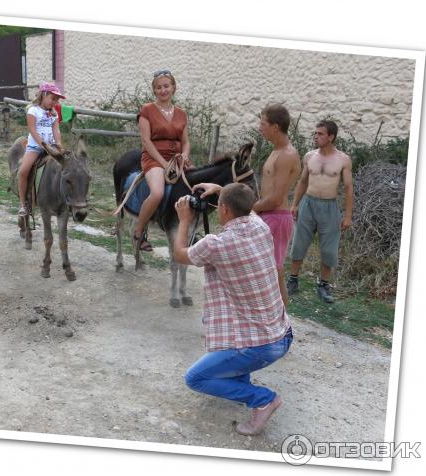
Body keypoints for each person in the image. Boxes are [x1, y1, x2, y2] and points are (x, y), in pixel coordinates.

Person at [173, 182, 293, 436]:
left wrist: (184, 219)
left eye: (220, 205)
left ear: (225, 209)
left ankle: (263, 399)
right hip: (282, 335)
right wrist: (221, 190)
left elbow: (181, 254)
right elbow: (245, 208)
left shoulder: (215, 244)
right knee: (234, 327)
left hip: (261, 347)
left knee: (195, 378)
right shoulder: (261, 226)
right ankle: (239, 379)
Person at [287, 120, 354, 303]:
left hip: (330, 207)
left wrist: (347, 215)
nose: (316, 137)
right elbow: (302, 181)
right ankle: (293, 280)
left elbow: (348, 187)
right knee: (299, 243)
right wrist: (294, 205)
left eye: (321, 134)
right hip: (308, 204)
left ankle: (323, 285)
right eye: (315, 133)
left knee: (329, 249)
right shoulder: (310, 156)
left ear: (331, 137)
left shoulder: (343, 159)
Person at [133, 69, 191, 252]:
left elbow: (186, 142)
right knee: (157, 193)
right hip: (154, 157)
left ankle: (190, 230)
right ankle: (139, 233)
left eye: (166, 86)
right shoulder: (147, 110)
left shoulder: (181, 113)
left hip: (177, 159)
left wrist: (185, 156)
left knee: (195, 187)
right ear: (154, 90)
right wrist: (164, 164)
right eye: (159, 87)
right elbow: (146, 141)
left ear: (173, 87)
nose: (163, 90)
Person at [252, 104, 301, 308]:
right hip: (268, 214)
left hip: (277, 216)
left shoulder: (287, 155)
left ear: (275, 126)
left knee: (275, 270)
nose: (259, 127)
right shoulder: (276, 151)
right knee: (263, 268)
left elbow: (276, 197)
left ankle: (282, 320)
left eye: (263, 123)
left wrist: (251, 209)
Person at [17, 82, 65, 216]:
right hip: (35, 147)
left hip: (51, 147)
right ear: (44, 95)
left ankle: (62, 198)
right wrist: (44, 145)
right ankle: (22, 204)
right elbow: (32, 130)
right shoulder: (33, 110)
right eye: (53, 98)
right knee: (23, 171)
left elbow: (56, 129)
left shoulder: (54, 114)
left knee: (67, 166)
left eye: (57, 100)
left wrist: (59, 143)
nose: (55, 102)